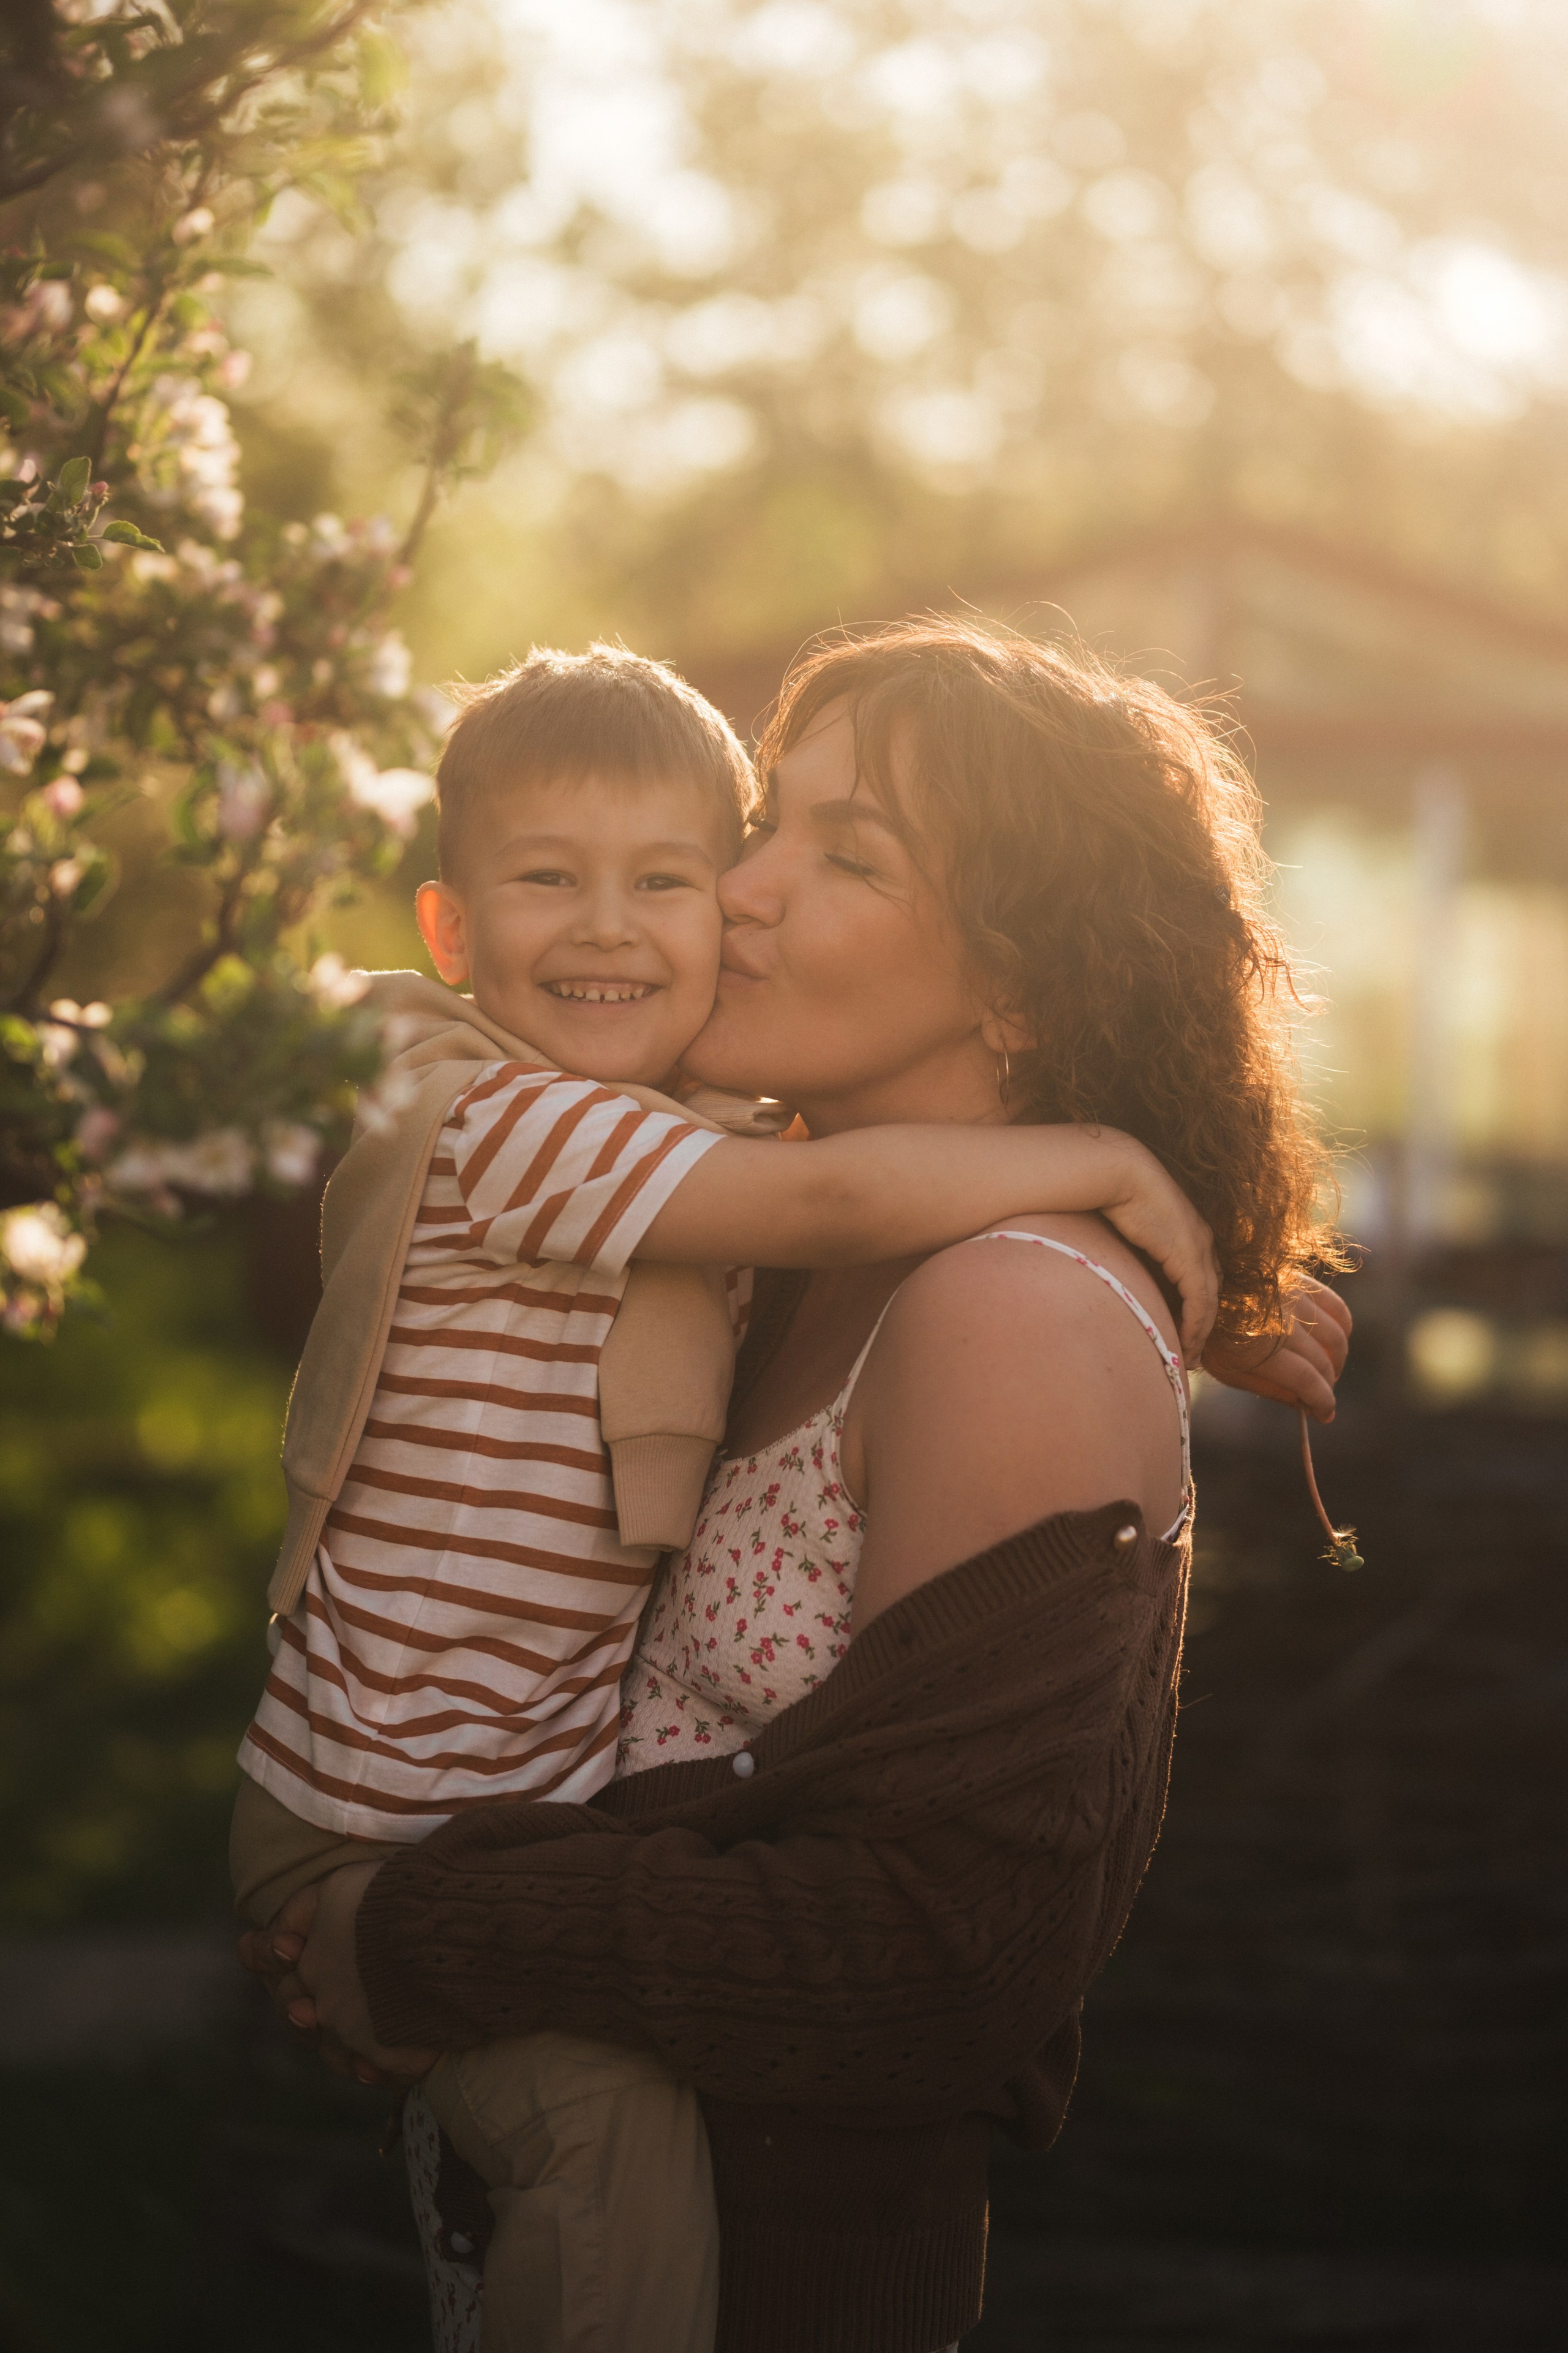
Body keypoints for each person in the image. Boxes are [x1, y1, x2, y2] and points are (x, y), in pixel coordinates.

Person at [246, 620, 1349, 2353]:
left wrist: (431, 1931)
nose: (736, 889)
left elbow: (935, 1954)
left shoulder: (1005, 1304)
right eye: (768, 819)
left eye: (843, 854)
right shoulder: (779, 1224)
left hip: (777, 2269)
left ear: (1023, 979)